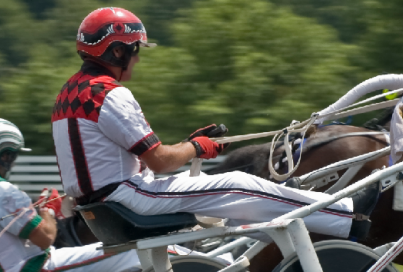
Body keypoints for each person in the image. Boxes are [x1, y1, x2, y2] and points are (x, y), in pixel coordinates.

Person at [52, 7, 379, 239]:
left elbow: (125, 155)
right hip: (129, 198)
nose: (137, 57)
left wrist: (189, 146)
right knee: (238, 184)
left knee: (237, 203)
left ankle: (289, 209)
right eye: (135, 50)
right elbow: (161, 161)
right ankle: (347, 216)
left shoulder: (68, 94)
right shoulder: (109, 94)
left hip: (106, 205)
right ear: (118, 52)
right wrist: (195, 147)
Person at [0, 118, 147, 272]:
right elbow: (46, 238)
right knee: (136, 252)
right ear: (5, 154)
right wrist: (48, 211)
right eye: (13, 154)